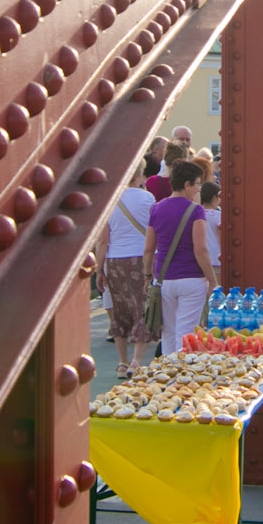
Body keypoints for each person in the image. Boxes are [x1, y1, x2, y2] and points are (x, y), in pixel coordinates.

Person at [144, 160, 218, 357]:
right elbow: (200, 248)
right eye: (196, 184)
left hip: (163, 278)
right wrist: (212, 280)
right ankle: (182, 375)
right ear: (186, 185)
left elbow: (149, 248)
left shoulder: (156, 209)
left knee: (168, 332)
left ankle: (167, 376)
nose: (198, 189)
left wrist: (147, 275)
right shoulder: (196, 211)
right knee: (186, 331)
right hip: (192, 278)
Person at [98, 166, 156, 376]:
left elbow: (103, 239)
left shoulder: (110, 200)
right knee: (142, 308)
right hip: (140, 258)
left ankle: (122, 362)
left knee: (119, 310)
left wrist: (99, 269)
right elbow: (154, 231)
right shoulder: (148, 198)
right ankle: (136, 361)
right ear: (139, 174)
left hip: (114, 260)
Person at [200, 181, 222, 284]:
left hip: (200, 258)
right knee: (216, 286)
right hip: (216, 256)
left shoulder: (196, 214)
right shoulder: (218, 215)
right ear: (214, 198)